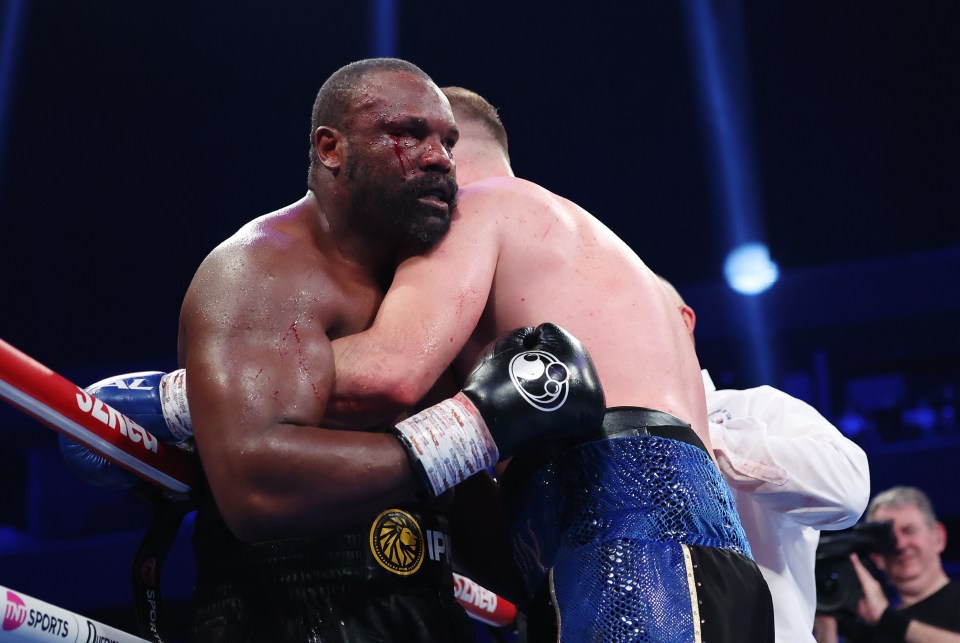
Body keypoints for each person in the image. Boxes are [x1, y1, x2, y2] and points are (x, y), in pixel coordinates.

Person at [65, 59, 604, 643]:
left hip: (423, 607)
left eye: (447, 142)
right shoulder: (266, 270)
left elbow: (464, 504)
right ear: (330, 149)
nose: (438, 159)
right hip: (286, 609)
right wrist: (471, 429)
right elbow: (256, 487)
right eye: (408, 134)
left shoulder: (416, 302)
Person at [324, 86, 775, 641]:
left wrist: (216, 382)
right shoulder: (600, 249)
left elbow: (386, 372)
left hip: (626, 555)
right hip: (711, 558)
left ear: (442, 151)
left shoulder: (476, 208)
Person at [659, 276, 871, 642]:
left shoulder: (754, 407)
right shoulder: (596, 446)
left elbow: (849, 489)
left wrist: (704, 437)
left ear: (683, 322)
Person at [815, 486, 960, 643]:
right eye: (888, 538)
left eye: (909, 530)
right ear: (876, 556)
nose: (899, 545)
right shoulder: (866, 628)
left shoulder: (883, 620)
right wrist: (826, 627)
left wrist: (887, 619)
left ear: (938, 537)